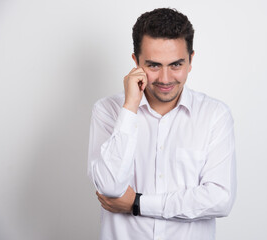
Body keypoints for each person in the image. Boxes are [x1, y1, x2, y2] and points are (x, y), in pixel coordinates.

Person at [88, 8, 236, 240]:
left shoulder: (214, 115)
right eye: (154, 65)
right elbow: (109, 187)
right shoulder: (108, 111)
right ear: (136, 62)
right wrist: (130, 108)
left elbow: (219, 200)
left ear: (191, 61)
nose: (165, 79)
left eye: (176, 65)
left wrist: (137, 203)